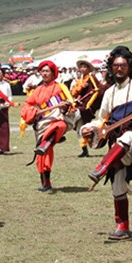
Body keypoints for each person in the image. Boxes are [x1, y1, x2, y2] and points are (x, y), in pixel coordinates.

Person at [82, 46, 132, 240]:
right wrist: (89, 128)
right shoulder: (109, 92)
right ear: (111, 67)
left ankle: (101, 168)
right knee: (118, 185)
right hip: (114, 141)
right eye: (116, 65)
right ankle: (122, 227)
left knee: (128, 137)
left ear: (129, 67)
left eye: (123, 65)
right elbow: (102, 119)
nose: (119, 69)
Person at [19, 60, 79, 192]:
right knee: (43, 156)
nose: (44, 74)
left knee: (60, 125)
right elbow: (27, 104)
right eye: (42, 71)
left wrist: (65, 107)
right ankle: (45, 183)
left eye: (47, 71)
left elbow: (70, 106)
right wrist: (31, 111)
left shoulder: (60, 88)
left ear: (53, 73)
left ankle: (49, 141)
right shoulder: (38, 90)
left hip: (56, 120)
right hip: (41, 124)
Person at [71, 57, 105, 158]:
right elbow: (75, 93)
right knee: (80, 129)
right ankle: (84, 150)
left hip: (86, 107)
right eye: (81, 67)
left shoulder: (91, 78)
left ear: (88, 69)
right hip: (80, 104)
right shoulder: (80, 80)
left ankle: (66, 126)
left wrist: (89, 104)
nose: (83, 69)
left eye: (85, 67)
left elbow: (97, 90)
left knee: (76, 118)